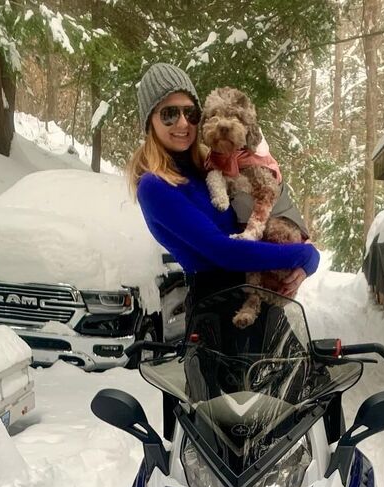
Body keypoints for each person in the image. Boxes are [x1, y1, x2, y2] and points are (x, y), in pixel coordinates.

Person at [127, 63, 319, 320]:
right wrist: (305, 256)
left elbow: (262, 208)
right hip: (218, 317)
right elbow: (222, 251)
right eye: (169, 114)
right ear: (150, 122)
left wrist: (299, 246)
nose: (183, 123)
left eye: (190, 113)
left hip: (257, 298)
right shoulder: (155, 186)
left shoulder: (207, 168)